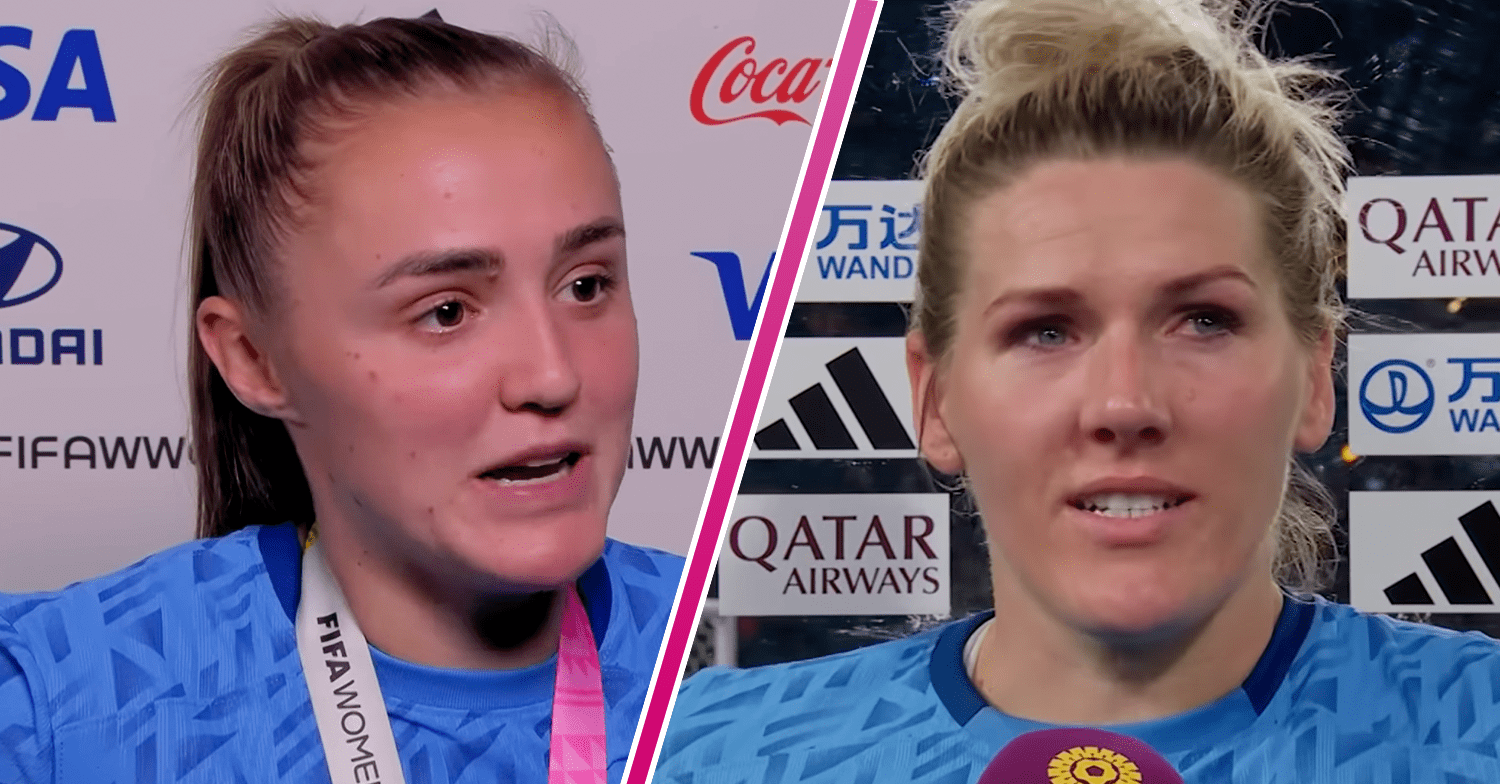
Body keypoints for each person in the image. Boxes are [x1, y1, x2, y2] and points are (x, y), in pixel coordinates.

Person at [656, 0, 1500, 781]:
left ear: (1314, 377)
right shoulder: (703, 753)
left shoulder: (1480, 728)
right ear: (935, 400)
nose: (1124, 404)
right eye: (1045, 332)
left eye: (1204, 321)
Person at [0, 14, 682, 784]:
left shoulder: (763, 666)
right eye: (446, 312)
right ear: (255, 360)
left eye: (585, 286)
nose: (552, 376)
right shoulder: (57, 706)